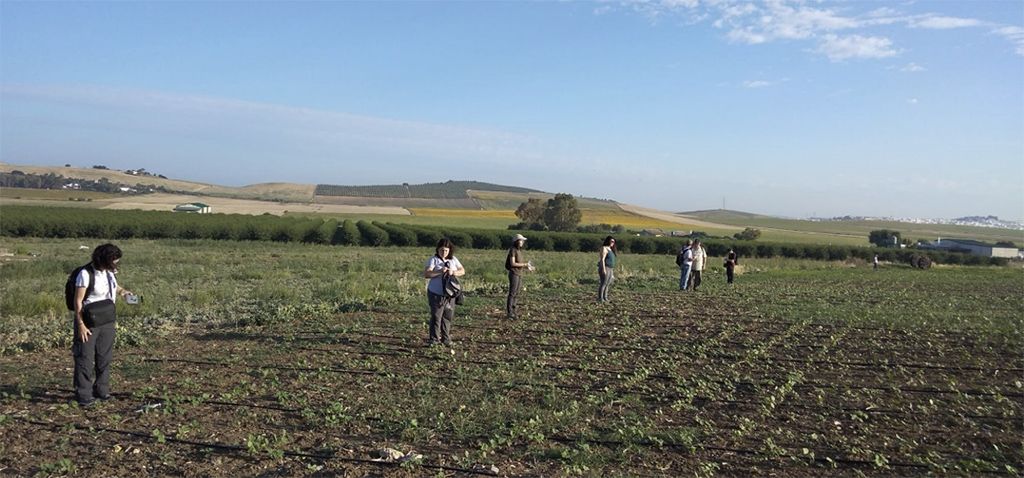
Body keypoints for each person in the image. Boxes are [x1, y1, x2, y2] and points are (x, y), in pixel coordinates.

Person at [72, 243, 135, 407]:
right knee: (85, 358)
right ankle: (83, 394)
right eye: (114, 261)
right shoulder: (85, 274)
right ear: (104, 259)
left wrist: (123, 292)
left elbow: (115, 287)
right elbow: (78, 302)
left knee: (104, 357)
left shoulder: (109, 273)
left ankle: (102, 390)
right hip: (88, 322)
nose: (116, 264)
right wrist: (81, 325)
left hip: (107, 321)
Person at [424, 238, 465, 347]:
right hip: (436, 293)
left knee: (448, 316)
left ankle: (446, 338)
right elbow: (427, 274)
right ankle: (434, 339)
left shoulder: (453, 259)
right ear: (437, 250)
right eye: (442, 250)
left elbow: (462, 271)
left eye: (446, 250)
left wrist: (453, 272)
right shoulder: (433, 260)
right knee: (436, 316)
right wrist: (439, 272)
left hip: (450, 293)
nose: (444, 253)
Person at [505, 233, 533, 320]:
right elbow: (513, 263)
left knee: (516, 293)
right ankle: (510, 312)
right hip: (514, 273)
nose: (522, 242)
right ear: (517, 241)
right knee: (512, 293)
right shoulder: (513, 250)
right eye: (521, 240)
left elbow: (519, 264)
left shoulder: (519, 251)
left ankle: (514, 311)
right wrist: (525, 264)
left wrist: (528, 267)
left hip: (519, 273)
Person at [597, 236, 617, 302]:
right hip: (605, 267)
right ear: (608, 241)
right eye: (611, 241)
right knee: (603, 283)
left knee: (607, 284)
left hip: (610, 268)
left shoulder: (611, 249)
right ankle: (600, 298)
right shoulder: (604, 248)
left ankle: (605, 297)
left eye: (613, 242)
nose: (612, 243)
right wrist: (603, 269)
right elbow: (602, 259)